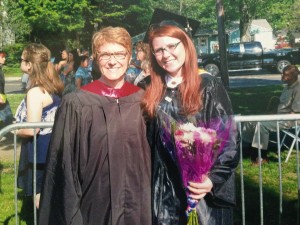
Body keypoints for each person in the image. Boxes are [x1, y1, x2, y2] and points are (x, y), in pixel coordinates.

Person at [38, 26, 151, 225]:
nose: (113, 60)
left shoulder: (143, 100)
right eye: (105, 54)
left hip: (138, 205)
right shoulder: (77, 103)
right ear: (95, 58)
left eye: (119, 53)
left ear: (129, 56)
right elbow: (64, 165)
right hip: (93, 206)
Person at [141, 22, 239, 225]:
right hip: (164, 191)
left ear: (186, 45)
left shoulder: (209, 86)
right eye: (159, 50)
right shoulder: (150, 89)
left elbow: (228, 141)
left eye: (171, 46)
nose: (165, 54)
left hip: (201, 193)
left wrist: (212, 180)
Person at [15, 43, 64, 209]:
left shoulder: (35, 92)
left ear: (29, 64)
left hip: (39, 152)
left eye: (21, 59)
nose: (19, 62)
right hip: (47, 148)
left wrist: (15, 131)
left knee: (39, 198)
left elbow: (32, 128)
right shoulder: (51, 85)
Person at [242, 65, 300, 163]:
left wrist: (276, 117)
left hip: (290, 119)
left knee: (262, 125)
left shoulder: (298, 89)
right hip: (279, 116)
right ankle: (248, 148)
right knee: (249, 121)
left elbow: (295, 111)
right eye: (282, 74)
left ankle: (262, 156)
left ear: (293, 76)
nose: (282, 76)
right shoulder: (288, 86)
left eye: (285, 75)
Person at [0, 51, 13, 130]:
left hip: (2, 95)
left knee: (8, 116)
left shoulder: (0, 68)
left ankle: (12, 131)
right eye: (2, 57)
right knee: (7, 116)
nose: (4, 59)